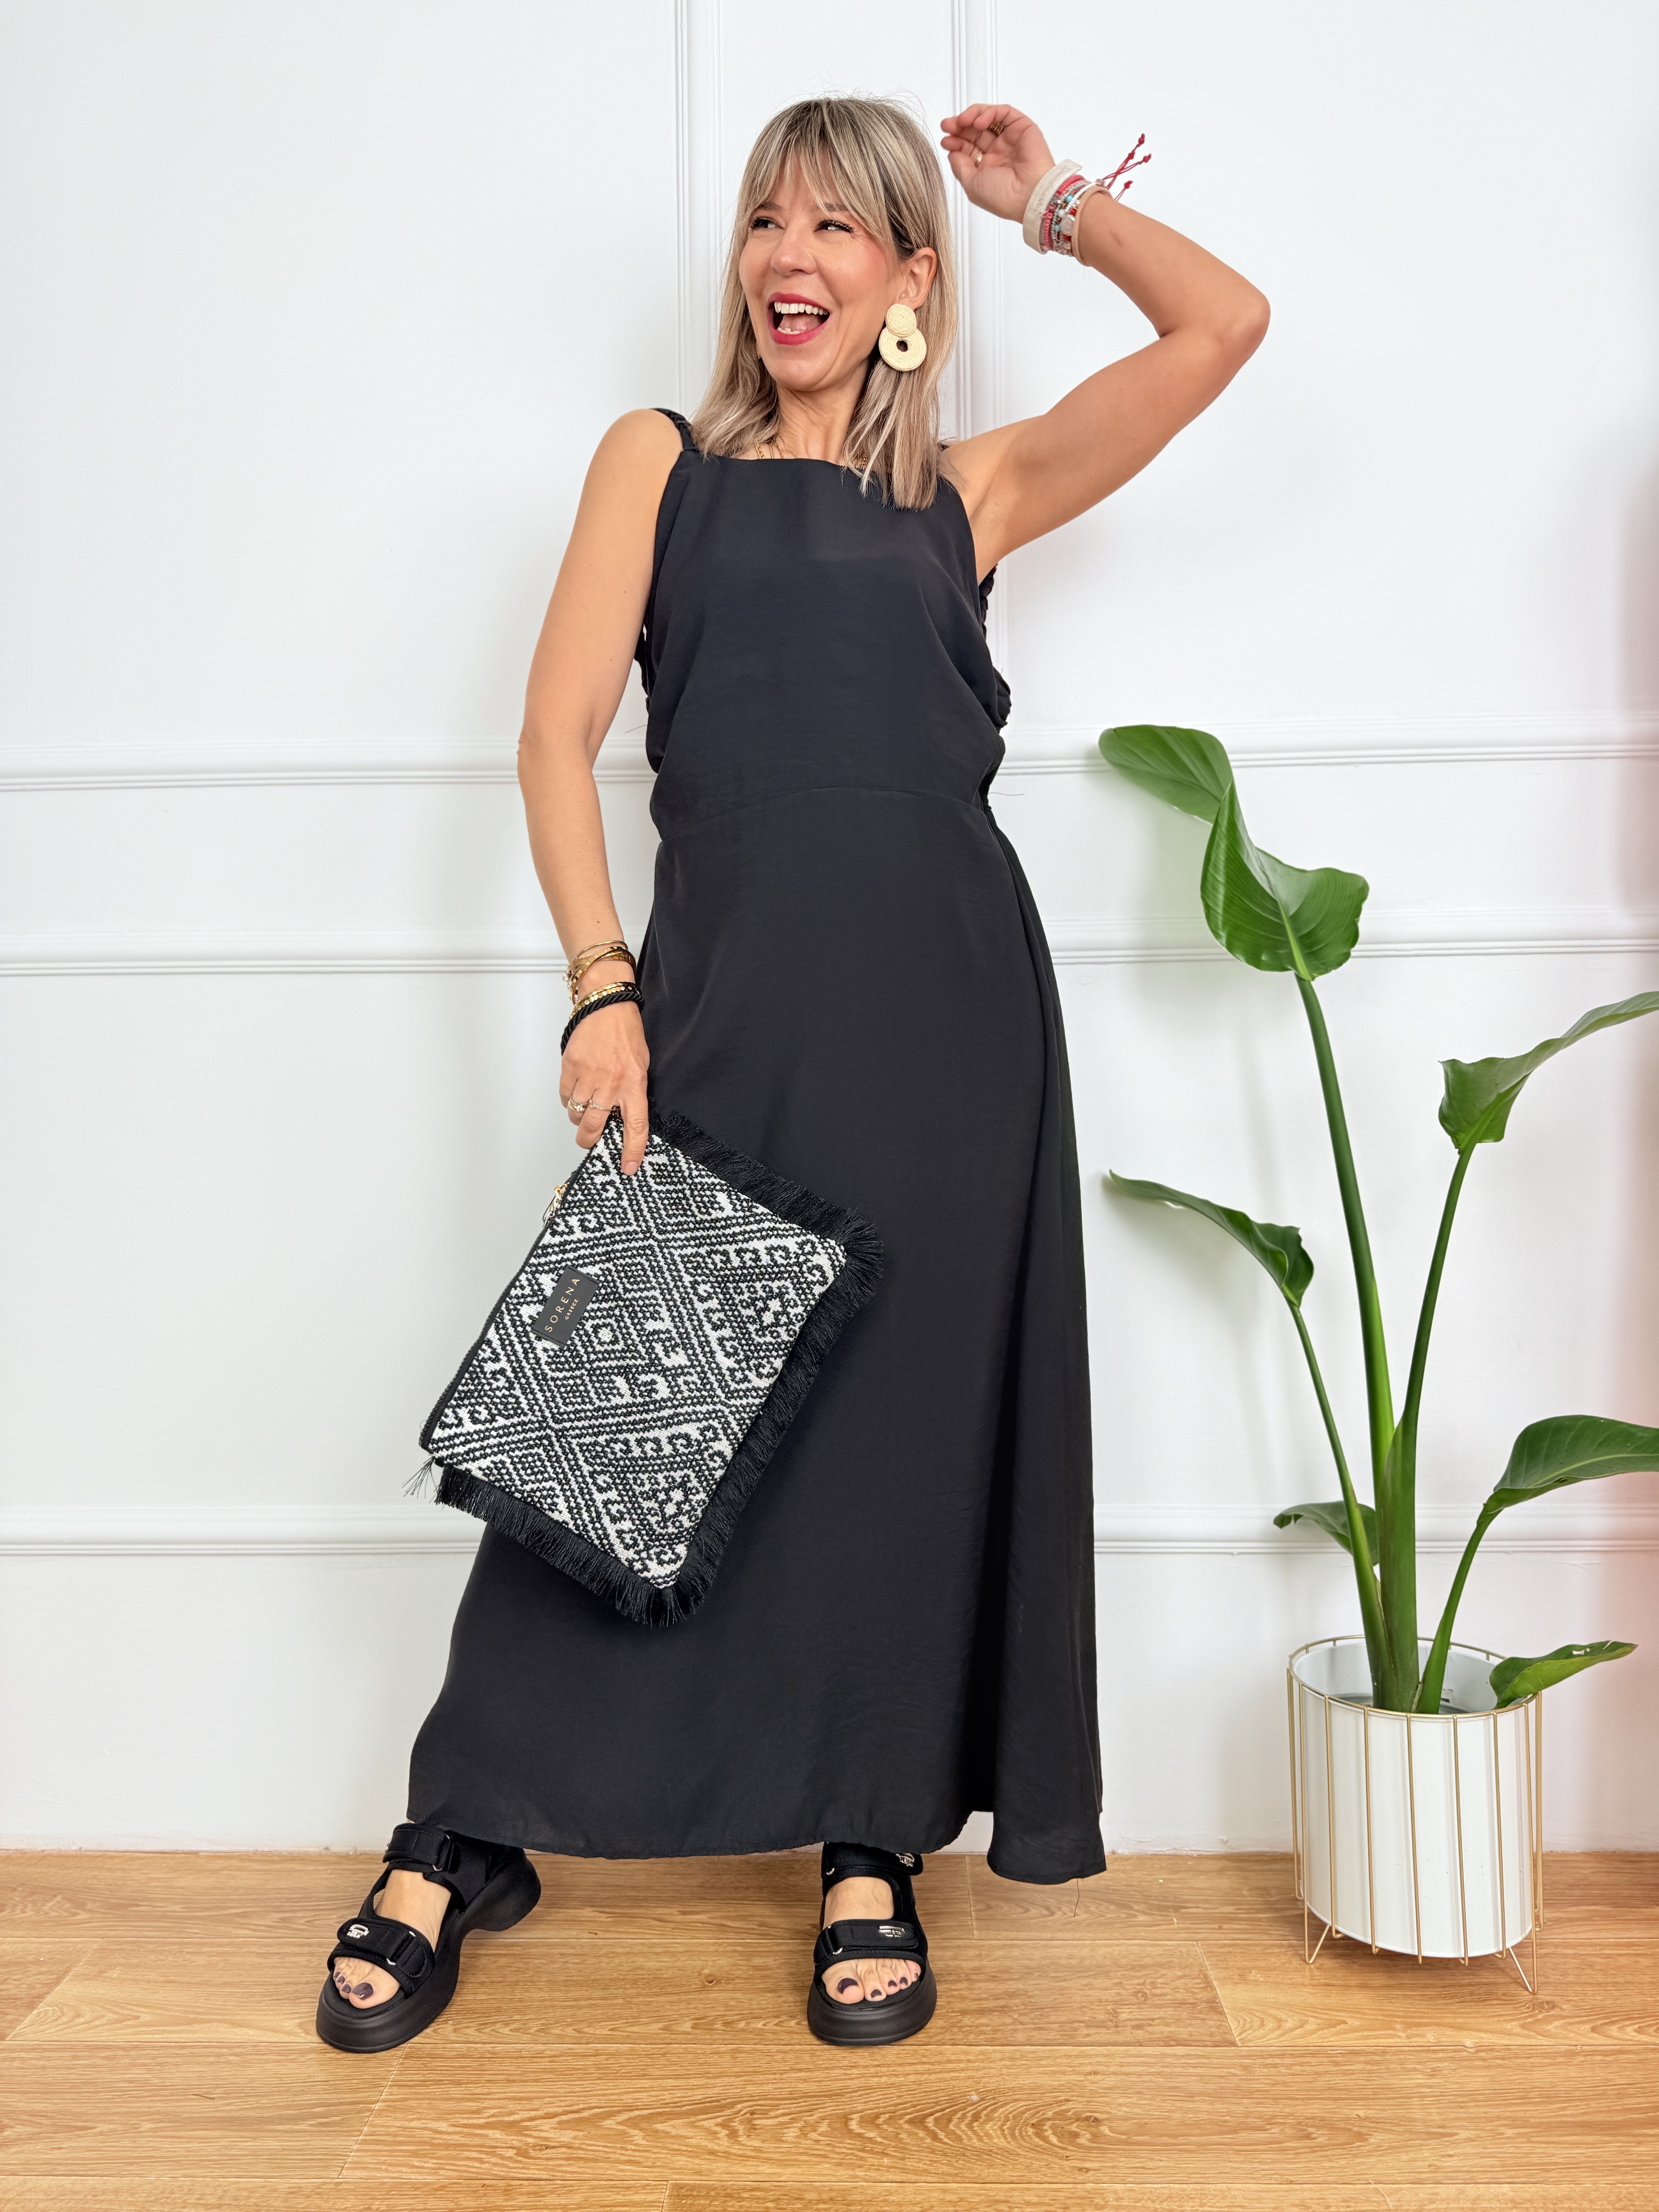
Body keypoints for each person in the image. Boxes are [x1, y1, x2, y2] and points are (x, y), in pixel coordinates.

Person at [316, 92, 1267, 2054]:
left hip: (950, 1032)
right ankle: (460, 1825)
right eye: (767, 220)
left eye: (838, 226)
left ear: (910, 276)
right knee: (608, 1429)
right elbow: (556, 732)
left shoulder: (970, 496)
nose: (789, 258)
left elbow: (1222, 329)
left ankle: (868, 1841)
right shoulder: (658, 463)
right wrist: (602, 988)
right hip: (726, 1010)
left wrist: (1049, 203)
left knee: (901, 1449)